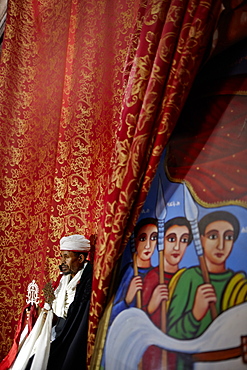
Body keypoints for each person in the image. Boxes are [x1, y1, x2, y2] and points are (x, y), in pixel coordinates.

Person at [167, 211, 247, 369]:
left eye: (228, 237)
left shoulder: (239, 284)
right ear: (201, 240)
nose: (221, 245)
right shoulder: (189, 278)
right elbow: (172, 334)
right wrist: (195, 314)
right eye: (213, 236)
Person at [141, 217, 192, 370]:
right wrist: (151, 306)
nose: (177, 247)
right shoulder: (153, 277)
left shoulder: (187, 277)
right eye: (171, 239)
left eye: (184, 240)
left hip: (180, 350)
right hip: (153, 351)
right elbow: (137, 320)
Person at [109, 217, 158, 325]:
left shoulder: (157, 274)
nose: (148, 245)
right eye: (142, 238)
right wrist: (127, 300)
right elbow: (110, 317)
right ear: (135, 241)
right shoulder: (129, 272)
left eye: (154, 238)